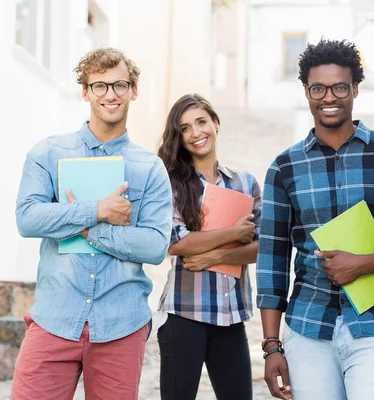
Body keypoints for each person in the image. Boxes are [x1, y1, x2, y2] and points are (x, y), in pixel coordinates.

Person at [256, 39, 374, 400]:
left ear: (355, 88)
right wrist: (272, 347)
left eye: (340, 87)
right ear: (306, 92)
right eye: (318, 88)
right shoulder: (284, 167)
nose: (329, 97)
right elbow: (272, 262)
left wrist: (365, 264)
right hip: (308, 329)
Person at [13, 47, 173, 399]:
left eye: (119, 84)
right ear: (85, 92)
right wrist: (97, 210)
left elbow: (155, 246)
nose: (110, 94)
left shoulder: (150, 168)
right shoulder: (48, 153)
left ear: (134, 90)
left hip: (121, 324)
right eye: (99, 86)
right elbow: (27, 218)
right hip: (54, 318)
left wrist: (88, 229)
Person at [156, 94, 262, 400]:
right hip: (183, 315)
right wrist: (233, 232)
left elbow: (264, 246)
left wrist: (217, 255)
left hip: (230, 317)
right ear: (179, 138)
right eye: (185, 128)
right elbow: (176, 243)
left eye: (201, 122)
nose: (196, 133)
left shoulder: (245, 183)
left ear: (215, 124)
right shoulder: (173, 184)